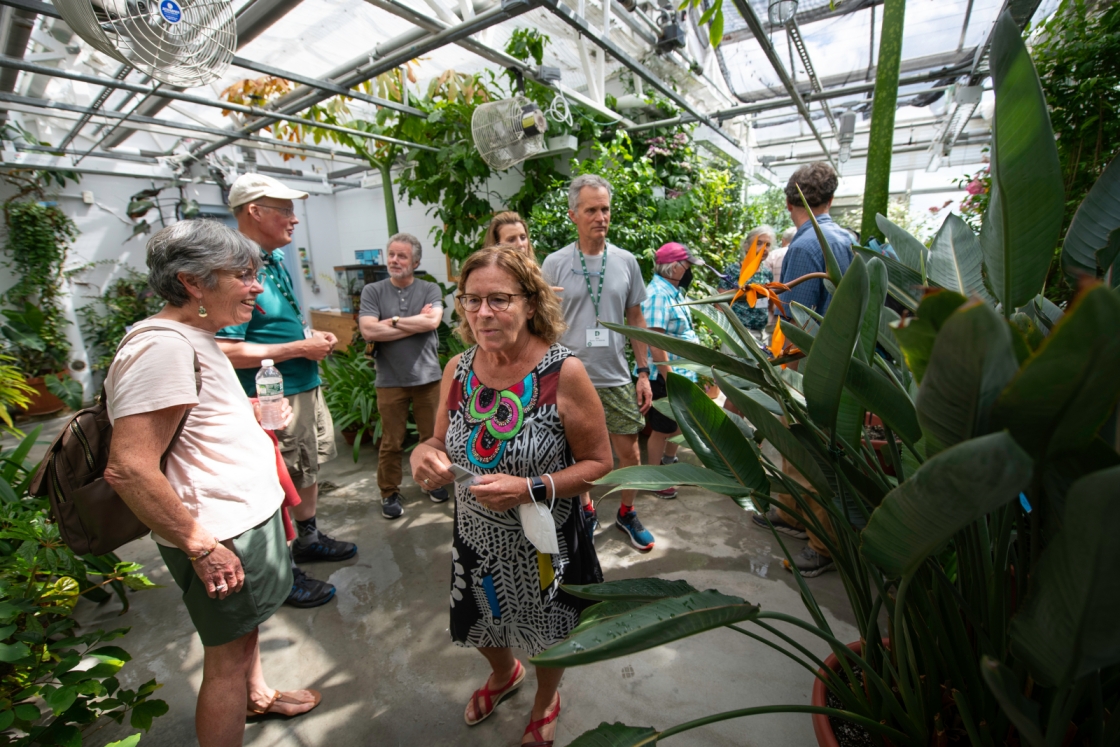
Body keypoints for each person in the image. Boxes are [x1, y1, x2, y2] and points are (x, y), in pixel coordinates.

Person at [104, 221, 321, 746]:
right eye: (243, 275)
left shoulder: (193, 338)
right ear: (194, 283)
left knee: (243, 640)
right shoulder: (161, 348)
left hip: (241, 518)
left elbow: (190, 418)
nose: (256, 285)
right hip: (219, 531)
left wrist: (243, 410)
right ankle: (238, 704)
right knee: (228, 656)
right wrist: (201, 546)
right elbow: (129, 466)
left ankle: (259, 696)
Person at [410, 246, 612, 747]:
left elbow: (601, 465)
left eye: (499, 299)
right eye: (471, 300)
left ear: (530, 303)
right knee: (479, 617)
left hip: (547, 542)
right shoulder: (457, 368)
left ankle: (546, 698)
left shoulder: (564, 373)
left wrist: (528, 488)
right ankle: (505, 675)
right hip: (475, 538)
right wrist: (422, 454)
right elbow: (437, 440)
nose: (482, 312)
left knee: (550, 628)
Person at [216, 174, 355, 610]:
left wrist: (307, 339)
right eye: (285, 210)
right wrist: (300, 347)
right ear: (254, 212)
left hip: (301, 385)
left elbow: (272, 325)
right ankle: (282, 573)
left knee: (306, 469)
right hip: (271, 400)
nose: (295, 219)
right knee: (277, 482)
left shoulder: (271, 260)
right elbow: (225, 348)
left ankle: (308, 540)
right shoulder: (237, 267)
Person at [540, 174, 657, 552]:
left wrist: (643, 373)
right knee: (576, 456)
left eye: (605, 209)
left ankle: (626, 512)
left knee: (630, 454)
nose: (600, 217)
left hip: (616, 375)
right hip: (569, 378)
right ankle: (586, 509)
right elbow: (541, 322)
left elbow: (636, 319)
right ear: (574, 214)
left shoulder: (625, 261)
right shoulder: (555, 263)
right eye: (591, 209)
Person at [754, 162, 857, 578]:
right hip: (841, 359)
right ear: (830, 198)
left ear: (788, 200)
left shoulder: (804, 244)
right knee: (806, 447)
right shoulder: (844, 237)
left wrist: (781, 370)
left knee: (805, 447)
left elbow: (795, 318)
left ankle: (821, 545)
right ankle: (794, 516)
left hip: (810, 364)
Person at [358, 232, 447, 519]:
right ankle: (389, 492)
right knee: (391, 442)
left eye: (402, 256)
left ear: (416, 261)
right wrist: (415, 323)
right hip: (390, 379)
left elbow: (432, 320)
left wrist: (393, 321)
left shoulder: (430, 289)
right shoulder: (373, 291)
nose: (395, 260)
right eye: (392, 254)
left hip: (428, 378)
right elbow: (369, 330)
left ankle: (431, 483)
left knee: (432, 437)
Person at [640, 242, 706, 499]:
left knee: (678, 421)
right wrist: (670, 378)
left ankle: (669, 460)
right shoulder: (658, 294)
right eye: (688, 266)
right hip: (664, 376)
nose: (690, 271)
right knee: (662, 427)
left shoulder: (673, 291)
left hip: (680, 374)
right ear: (674, 267)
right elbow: (656, 342)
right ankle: (655, 478)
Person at [777, 162, 854, 315]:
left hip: (818, 339)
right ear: (830, 200)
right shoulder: (849, 240)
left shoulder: (803, 248)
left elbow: (798, 325)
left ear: (788, 203)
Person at [719, 226, 777, 343]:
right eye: (759, 243)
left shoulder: (767, 273)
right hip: (737, 334)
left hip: (761, 334)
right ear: (746, 246)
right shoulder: (734, 270)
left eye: (768, 245)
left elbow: (771, 303)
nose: (764, 248)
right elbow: (720, 303)